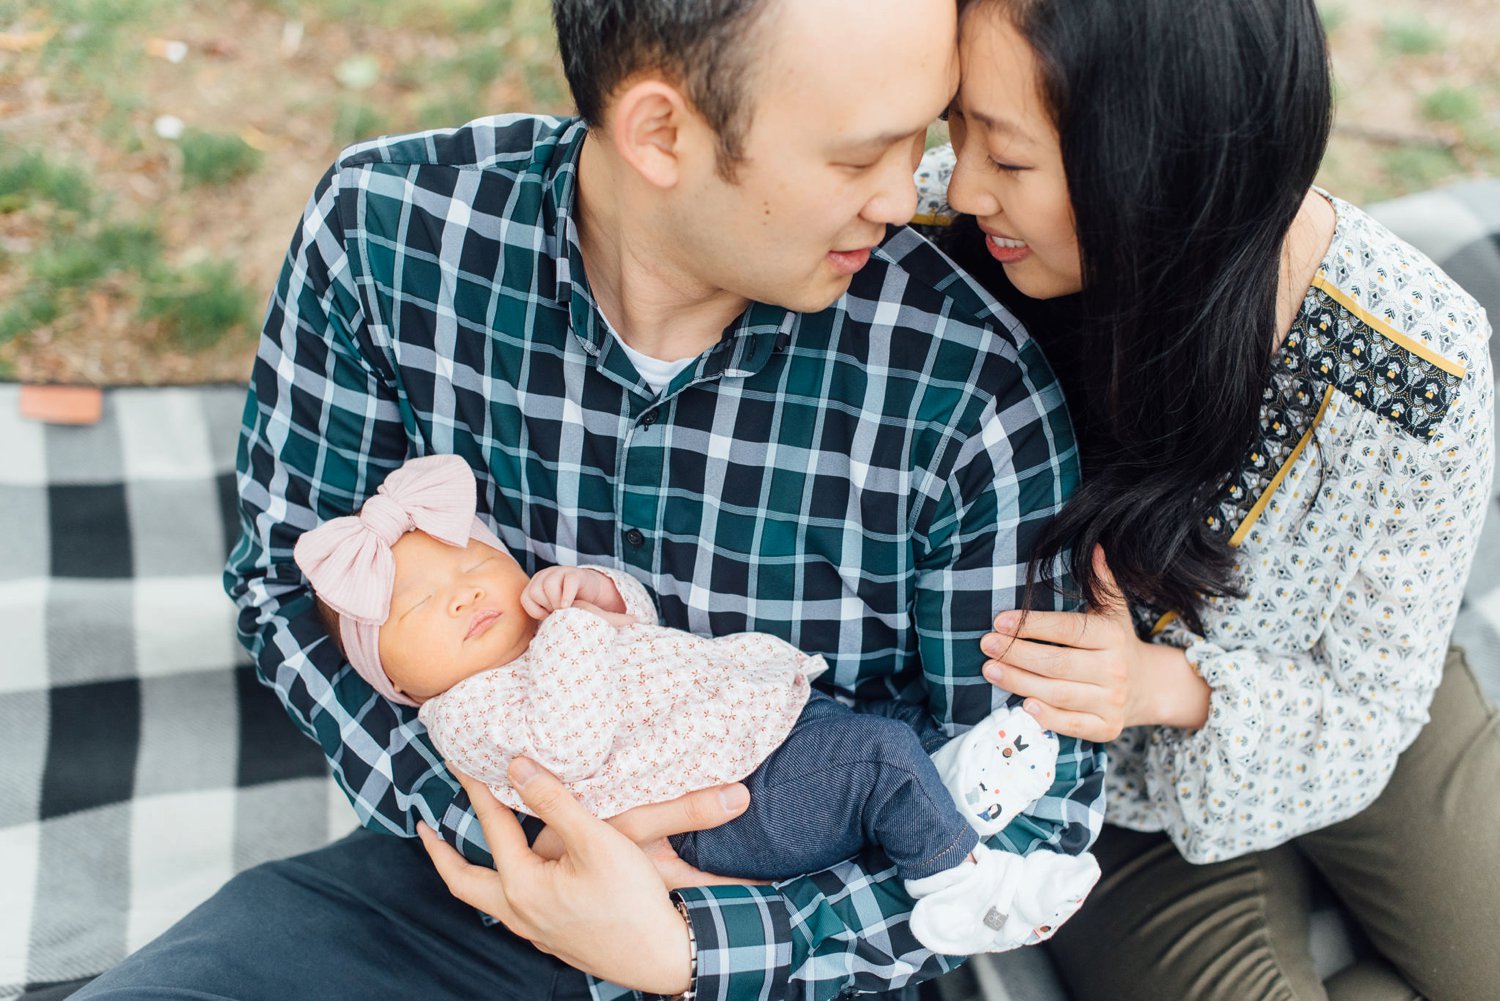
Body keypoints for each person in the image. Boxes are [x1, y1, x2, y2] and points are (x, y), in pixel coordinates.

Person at [73, 1, 1106, 999]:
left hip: (786, 938)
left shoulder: (969, 389)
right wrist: (520, 846)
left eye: (916, 137)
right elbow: (285, 578)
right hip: (464, 891)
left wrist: (691, 944)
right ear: (660, 131)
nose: (907, 197)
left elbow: (1030, 808)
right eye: (855, 157)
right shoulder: (387, 237)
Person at [922, 0, 1497, 997]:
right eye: (953, 124)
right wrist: (1127, 699)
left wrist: (1165, 682)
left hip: (1345, 693)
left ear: (1158, 167)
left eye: (1009, 160)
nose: (963, 182)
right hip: (1103, 772)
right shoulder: (932, 255)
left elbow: (1370, 705)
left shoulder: (1419, 364)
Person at [292, 452, 1101, 955]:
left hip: (754, 733)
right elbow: (565, 747)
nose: (462, 593)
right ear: (395, 680)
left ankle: (951, 782)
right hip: (723, 809)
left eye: (470, 561)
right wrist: (574, 624)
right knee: (875, 761)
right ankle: (957, 888)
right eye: (417, 606)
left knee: (884, 736)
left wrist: (603, 595)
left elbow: (640, 635)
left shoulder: (545, 627)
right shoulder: (463, 713)